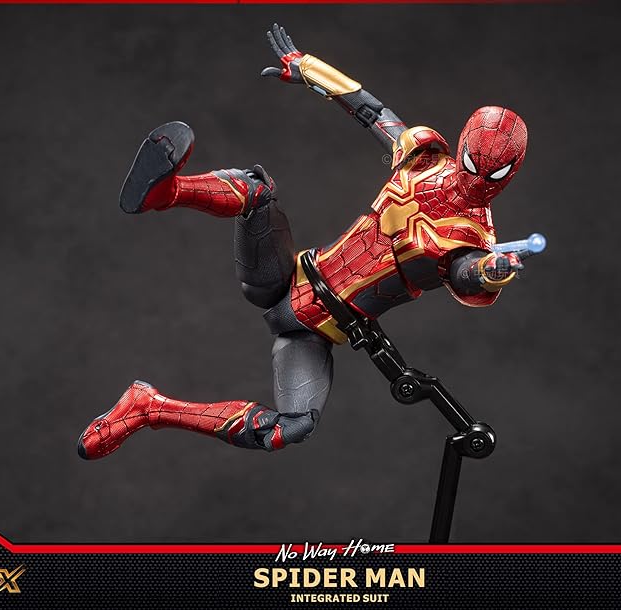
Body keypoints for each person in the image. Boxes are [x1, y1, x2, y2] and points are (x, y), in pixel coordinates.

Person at [78, 24, 529, 460]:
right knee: (256, 191)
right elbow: (371, 110)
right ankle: (166, 192)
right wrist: (308, 68)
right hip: (286, 276)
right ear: (463, 144)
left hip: (315, 332)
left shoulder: (472, 235)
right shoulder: (422, 159)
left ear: (510, 173)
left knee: (291, 426)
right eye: (474, 163)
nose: (478, 179)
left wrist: (491, 271)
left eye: (495, 173)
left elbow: (464, 272)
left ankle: (148, 408)